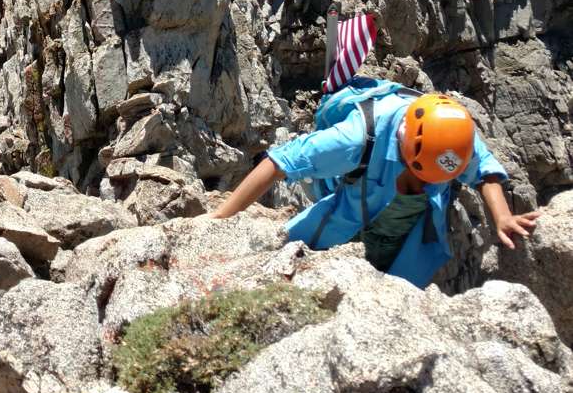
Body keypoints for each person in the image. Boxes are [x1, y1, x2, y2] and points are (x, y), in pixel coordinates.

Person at [211, 82, 538, 289]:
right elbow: (280, 162)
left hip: (408, 237)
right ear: (404, 147)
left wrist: (502, 217)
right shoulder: (359, 136)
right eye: (419, 174)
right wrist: (218, 221)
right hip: (346, 222)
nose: (425, 185)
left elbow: (484, 173)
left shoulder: (453, 138)